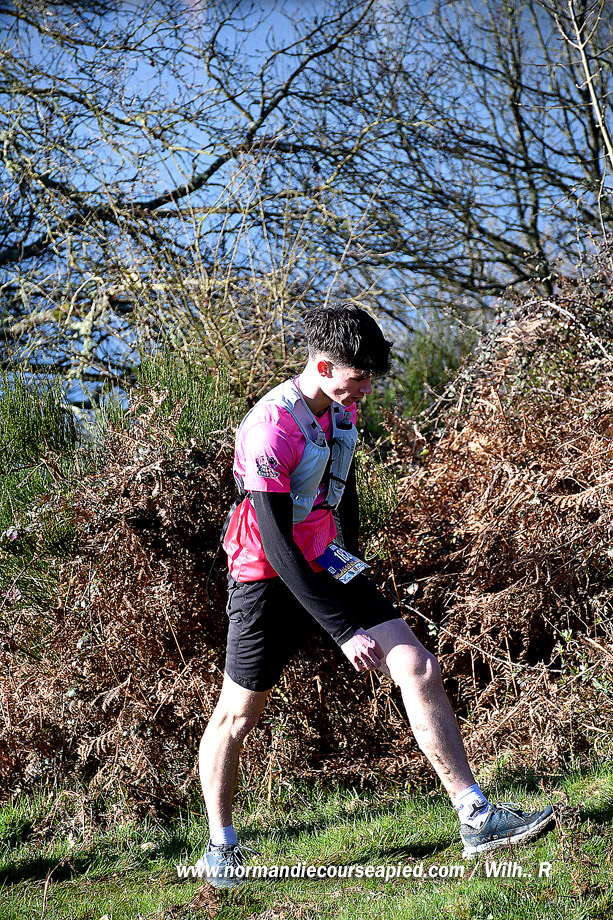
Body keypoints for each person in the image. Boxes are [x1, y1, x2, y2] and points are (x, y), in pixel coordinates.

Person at [197, 303, 553, 885]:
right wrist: (343, 630)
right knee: (239, 714)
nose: (367, 389)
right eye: (359, 377)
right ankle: (221, 846)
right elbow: (278, 545)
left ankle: (476, 817)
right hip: (266, 573)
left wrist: (355, 567)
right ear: (322, 367)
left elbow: (343, 486)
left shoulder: (342, 406)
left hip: (324, 556)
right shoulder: (269, 429)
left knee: (418, 665)